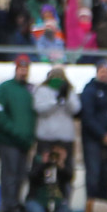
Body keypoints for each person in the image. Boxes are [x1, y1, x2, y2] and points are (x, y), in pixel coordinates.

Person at [0, 54, 37, 212]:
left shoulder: (30, 90)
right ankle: (8, 207)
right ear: (16, 69)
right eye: (21, 68)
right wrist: (13, 130)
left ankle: (15, 204)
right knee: (9, 175)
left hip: (24, 141)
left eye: (26, 69)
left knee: (21, 176)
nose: (23, 72)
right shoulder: (4, 88)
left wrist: (29, 136)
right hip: (8, 140)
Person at [32, 65, 81, 202]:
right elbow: (39, 108)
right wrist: (56, 100)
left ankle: (64, 202)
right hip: (46, 138)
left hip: (65, 138)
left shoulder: (70, 90)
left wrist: (66, 96)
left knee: (65, 171)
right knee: (42, 169)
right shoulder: (42, 90)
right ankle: (41, 200)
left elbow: (76, 109)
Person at [80, 57, 107, 209]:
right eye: (102, 71)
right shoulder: (90, 91)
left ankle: (104, 209)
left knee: (105, 175)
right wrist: (102, 134)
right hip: (93, 139)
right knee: (93, 173)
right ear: (97, 72)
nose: (105, 74)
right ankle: (91, 208)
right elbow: (87, 118)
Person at [24, 142, 73, 212]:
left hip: (56, 203)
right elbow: (32, 177)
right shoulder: (38, 162)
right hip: (38, 200)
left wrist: (61, 164)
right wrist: (43, 164)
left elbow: (69, 177)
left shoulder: (61, 167)